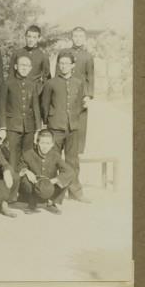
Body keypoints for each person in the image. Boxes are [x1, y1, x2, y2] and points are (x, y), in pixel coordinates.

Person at [40, 50, 89, 201]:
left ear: (73, 65)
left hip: (73, 128)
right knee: (53, 161)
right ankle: (50, 194)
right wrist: (50, 122)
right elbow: (44, 106)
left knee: (72, 161)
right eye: (61, 63)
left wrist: (73, 121)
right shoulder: (51, 83)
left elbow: (80, 105)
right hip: (55, 128)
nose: (63, 66)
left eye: (67, 63)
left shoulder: (78, 82)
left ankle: (75, 192)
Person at [0, 54, 41, 171]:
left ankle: (25, 187)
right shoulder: (7, 83)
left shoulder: (33, 85)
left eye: (27, 66)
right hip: (12, 127)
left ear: (31, 68)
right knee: (12, 158)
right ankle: (12, 186)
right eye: (22, 65)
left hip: (29, 128)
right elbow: (1, 107)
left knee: (28, 157)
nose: (24, 68)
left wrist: (38, 128)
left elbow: (36, 107)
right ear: (16, 66)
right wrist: (2, 128)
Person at [18, 129, 74, 214]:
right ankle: (32, 203)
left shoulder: (55, 155)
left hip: (49, 185)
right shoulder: (28, 154)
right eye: (42, 143)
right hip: (34, 185)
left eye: (48, 143)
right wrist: (26, 171)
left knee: (68, 177)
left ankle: (52, 202)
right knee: (24, 179)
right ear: (37, 143)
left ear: (52, 145)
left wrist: (54, 180)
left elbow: (69, 171)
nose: (45, 146)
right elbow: (18, 168)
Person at [66, 26, 95, 153]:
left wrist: (88, 96)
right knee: (64, 121)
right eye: (75, 36)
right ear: (71, 37)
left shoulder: (88, 56)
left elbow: (90, 77)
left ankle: (78, 152)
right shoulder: (65, 53)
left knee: (81, 124)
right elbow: (58, 74)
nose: (78, 39)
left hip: (81, 94)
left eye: (81, 36)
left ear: (85, 39)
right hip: (66, 92)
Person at [8, 25, 51, 94]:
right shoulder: (17, 53)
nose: (31, 40)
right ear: (25, 37)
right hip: (18, 92)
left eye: (34, 37)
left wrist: (40, 90)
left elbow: (47, 78)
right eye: (29, 36)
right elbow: (11, 75)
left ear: (39, 38)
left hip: (35, 93)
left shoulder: (43, 56)